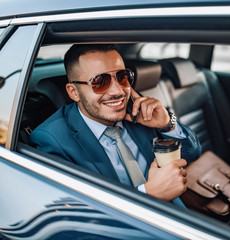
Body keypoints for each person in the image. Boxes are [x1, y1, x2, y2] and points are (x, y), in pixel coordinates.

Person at [30, 44, 201, 203]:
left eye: (122, 77)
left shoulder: (137, 108)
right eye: (99, 82)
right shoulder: (52, 140)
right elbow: (79, 215)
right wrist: (148, 195)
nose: (118, 91)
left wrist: (167, 124)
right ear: (74, 92)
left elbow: (191, 155)